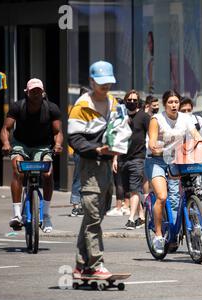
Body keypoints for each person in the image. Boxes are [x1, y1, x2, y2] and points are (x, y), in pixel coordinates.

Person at [68, 60, 119, 278]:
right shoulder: (82, 106)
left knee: (96, 214)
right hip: (90, 165)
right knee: (93, 215)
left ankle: (81, 265)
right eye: (101, 83)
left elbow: (120, 128)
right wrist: (98, 150)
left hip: (107, 165)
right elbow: (74, 139)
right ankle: (97, 264)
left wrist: (118, 147)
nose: (105, 86)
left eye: (108, 82)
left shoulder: (114, 103)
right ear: (91, 81)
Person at [1, 78, 63, 233]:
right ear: (27, 92)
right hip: (21, 144)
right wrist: (6, 144)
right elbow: (5, 128)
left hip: (42, 146)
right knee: (18, 170)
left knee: (48, 174)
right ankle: (17, 215)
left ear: (43, 92)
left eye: (38, 91)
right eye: (32, 91)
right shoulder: (18, 107)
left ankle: (47, 214)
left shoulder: (51, 108)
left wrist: (57, 145)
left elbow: (57, 132)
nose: (35, 94)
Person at [145, 90, 202, 254]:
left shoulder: (185, 119)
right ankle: (158, 235)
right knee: (163, 196)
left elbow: (196, 134)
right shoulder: (156, 119)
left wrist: (201, 144)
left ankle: (183, 228)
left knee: (184, 193)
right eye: (170, 102)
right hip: (156, 160)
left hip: (176, 160)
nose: (174, 105)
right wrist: (154, 146)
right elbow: (151, 140)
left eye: (176, 102)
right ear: (165, 104)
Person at [117, 90, 151, 230]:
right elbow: (117, 137)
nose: (131, 102)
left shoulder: (143, 116)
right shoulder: (121, 116)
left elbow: (152, 133)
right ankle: (142, 217)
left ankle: (131, 219)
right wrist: (115, 158)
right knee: (130, 190)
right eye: (129, 100)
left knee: (135, 189)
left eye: (134, 100)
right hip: (123, 158)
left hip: (138, 158)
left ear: (138, 102)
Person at [70, 86, 90, 217]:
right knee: (78, 178)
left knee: (88, 179)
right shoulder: (76, 111)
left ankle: (84, 205)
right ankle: (76, 205)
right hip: (79, 151)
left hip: (90, 150)